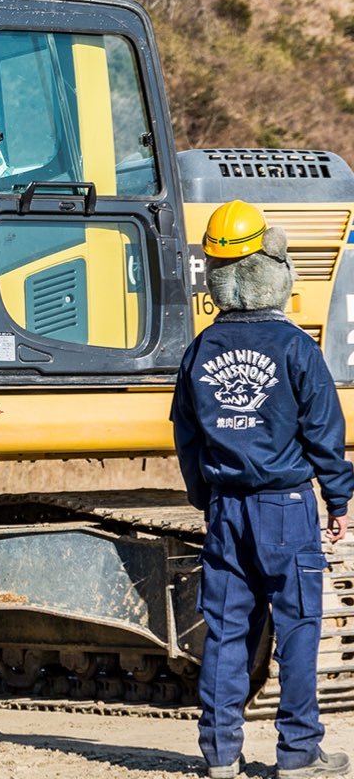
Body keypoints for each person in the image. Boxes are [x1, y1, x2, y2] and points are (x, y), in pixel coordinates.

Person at [172, 199, 353, 779]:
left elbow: (187, 434)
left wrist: (207, 498)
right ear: (273, 271)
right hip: (287, 509)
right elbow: (326, 430)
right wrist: (340, 498)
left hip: (227, 509)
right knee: (298, 630)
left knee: (226, 632)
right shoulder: (297, 347)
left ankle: (220, 756)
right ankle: (299, 754)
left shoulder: (199, 350)